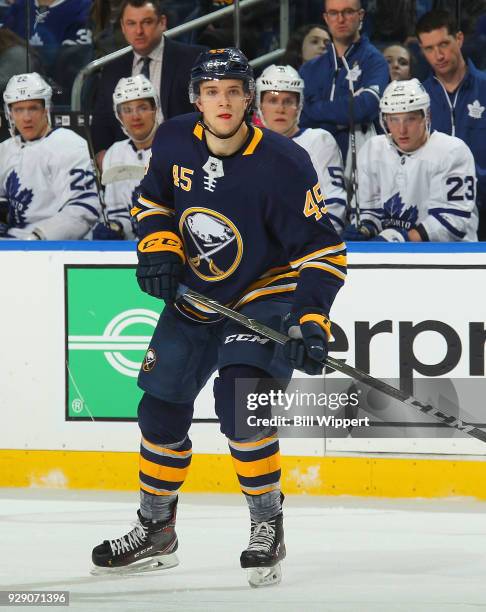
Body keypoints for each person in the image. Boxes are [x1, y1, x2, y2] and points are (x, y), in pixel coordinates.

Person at [90, 48, 346, 586]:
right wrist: (158, 246)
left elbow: (322, 252)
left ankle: (266, 525)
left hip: (262, 294)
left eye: (233, 91)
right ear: (195, 99)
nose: (223, 102)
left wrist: (310, 321)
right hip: (195, 296)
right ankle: (156, 529)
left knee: (242, 403)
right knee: (160, 411)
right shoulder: (175, 137)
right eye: (212, 92)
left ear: (248, 97)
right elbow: (151, 199)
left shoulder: (284, 163)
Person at [342, 79, 478, 242]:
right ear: (384, 120)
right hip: (391, 252)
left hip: (451, 257)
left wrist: (402, 238)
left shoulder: (452, 151)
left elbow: (454, 221)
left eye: (410, 119)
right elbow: (369, 210)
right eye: (394, 119)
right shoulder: (372, 149)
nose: (402, 130)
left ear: (427, 116)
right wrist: (366, 228)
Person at [91, 0, 206, 167]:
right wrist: (102, 155)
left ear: (162, 23)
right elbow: (102, 122)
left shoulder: (193, 59)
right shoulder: (112, 69)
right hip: (129, 164)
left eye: (147, 22)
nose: (139, 31)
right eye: (131, 24)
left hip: (184, 161)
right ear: (123, 27)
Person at [0, 73, 100, 240]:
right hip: (10, 244)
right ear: (10, 113)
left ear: (46, 109)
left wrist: (39, 237)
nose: (26, 117)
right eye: (18, 110)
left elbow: (83, 208)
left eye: (33, 108)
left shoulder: (69, 144)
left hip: (55, 245)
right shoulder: (5, 150)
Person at [416, 9, 486, 241]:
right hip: (433, 215)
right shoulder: (417, 97)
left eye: (443, 44)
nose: (438, 55)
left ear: (459, 39)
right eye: (429, 48)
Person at [299, 0, 390, 173]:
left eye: (348, 12)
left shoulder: (374, 61)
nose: (340, 19)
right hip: (314, 166)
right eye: (333, 13)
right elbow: (300, 118)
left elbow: (365, 108)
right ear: (326, 18)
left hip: (361, 169)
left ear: (361, 15)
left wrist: (315, 108)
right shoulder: (309, 69)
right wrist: (344, 117)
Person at [256, 64, 347, 233]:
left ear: (299, 105)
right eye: (273, 100)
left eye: (288, 101)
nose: (280, 109)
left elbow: (334, 204)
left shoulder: (319, 141)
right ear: (260, 105)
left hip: (309, 246)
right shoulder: (247, 145)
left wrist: (315, 245)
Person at [92, 74, 161, 240]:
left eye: (142, 107)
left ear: (155, 109)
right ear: (119, 116)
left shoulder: (176, 148)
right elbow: (117, 211)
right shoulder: (115, 153)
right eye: (127, 110)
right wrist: (117, 227)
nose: (135, 116)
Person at [3, 0, 93, 73]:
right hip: (15, 86)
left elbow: (74, 60)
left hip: (59, 88)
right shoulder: (19, 6)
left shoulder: (82, 8)